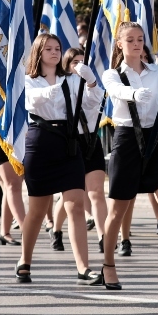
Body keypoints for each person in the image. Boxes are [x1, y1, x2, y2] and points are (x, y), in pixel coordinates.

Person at [100, 21, 158, 291]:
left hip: (154, 139)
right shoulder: (113, 74)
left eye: (140, 39)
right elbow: (115, 91)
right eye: (130, 39)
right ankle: (108, 264)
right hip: (127, 139)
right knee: (118, 209)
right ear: (120, 44)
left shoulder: (157, 72)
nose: (136, 43)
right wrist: (132, 93)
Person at [13, 33, 103, 285]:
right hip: (40, 140)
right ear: (38, 53)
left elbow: (92, 103)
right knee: (38, 209)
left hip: (67, 141)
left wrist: (92, 83)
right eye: (49, 49)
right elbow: (32, 102)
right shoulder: (28, 80)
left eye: (57, 48)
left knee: (75, 203)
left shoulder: (72, 80)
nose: (54, 52)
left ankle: (83, 267)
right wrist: (58, 88)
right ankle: (24, 259)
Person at [49, 48, 108, 253]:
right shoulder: (61, 85)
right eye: (75, 62)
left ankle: (104, 237)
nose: (79, 66)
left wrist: (91, 82)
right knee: (72, 196)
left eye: (83, 62)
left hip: (91, 140)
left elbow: (98, 101)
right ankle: (56, 229)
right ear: (66, 65)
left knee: (97, 192)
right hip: (72, 141)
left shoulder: (91, 84)